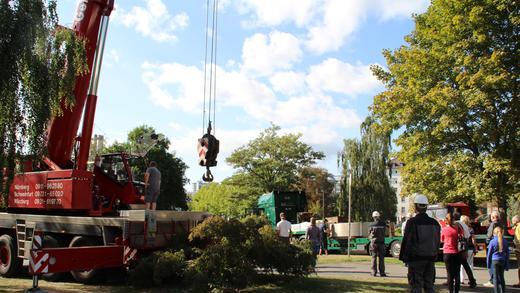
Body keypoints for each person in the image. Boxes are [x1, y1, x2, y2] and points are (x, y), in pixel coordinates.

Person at [399, 194, 441, 293]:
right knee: (429, 285)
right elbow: (437, 241)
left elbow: (407, 241)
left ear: (415, 206)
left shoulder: (412, 222)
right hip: (430, 258)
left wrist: (405, 258)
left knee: (416, 286)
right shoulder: (434, 223)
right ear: (426, 207)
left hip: (416, 259)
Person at [441, 212, 464, 293]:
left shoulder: (444, 229)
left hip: (447, 252)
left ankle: (451, 291)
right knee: (457, 273)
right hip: (457, 252)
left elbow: (442, 239)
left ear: (446, 220)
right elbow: (462, 236)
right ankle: (457, 291)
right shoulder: (457, 229)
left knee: (449, 274)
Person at [454, 213, 477, 288]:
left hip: (462, 248)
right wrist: (475, 247)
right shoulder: (470, 229)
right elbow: (473, 239)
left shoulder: (460, 227)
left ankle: (462, 279)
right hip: (469, 248)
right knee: (469, 265)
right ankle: (471, 280)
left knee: (462, 265)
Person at [487, 226, 509, 293]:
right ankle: (503, 291)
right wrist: (507, 264)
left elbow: (489, 254)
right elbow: (507, 254)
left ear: (494, 233)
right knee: (502, 277)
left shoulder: (492, 241)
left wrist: (488, 264)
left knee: (495, 278)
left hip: (494, 261)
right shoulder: (505, 241)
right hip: (502, 260)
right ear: (502, 233)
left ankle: (497, 291)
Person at [484, 211, 501, 287]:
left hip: (492, 244)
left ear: (493, 217)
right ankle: (497, 279)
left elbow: (489, 235)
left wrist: (487, 240)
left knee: (491, 262)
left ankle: (492, 280)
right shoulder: (501, 224)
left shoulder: (493, 224)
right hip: (499, 244)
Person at [369, 211, 386, 277]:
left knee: (374, 257)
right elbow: (385, 232)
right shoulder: (383, 224)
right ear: (379, 216)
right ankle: (382, 273)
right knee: (381, 258)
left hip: (374, 243)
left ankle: (373, 272)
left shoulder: (371, 225)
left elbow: (369, 234)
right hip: (381, 243)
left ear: (373, 217)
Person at [512, 215, 520, 288]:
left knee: (519, 266)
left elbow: (518, 239)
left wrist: (517, 248)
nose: (512, 222)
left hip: (519, 249)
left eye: (513, 220)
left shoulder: (518, 227)